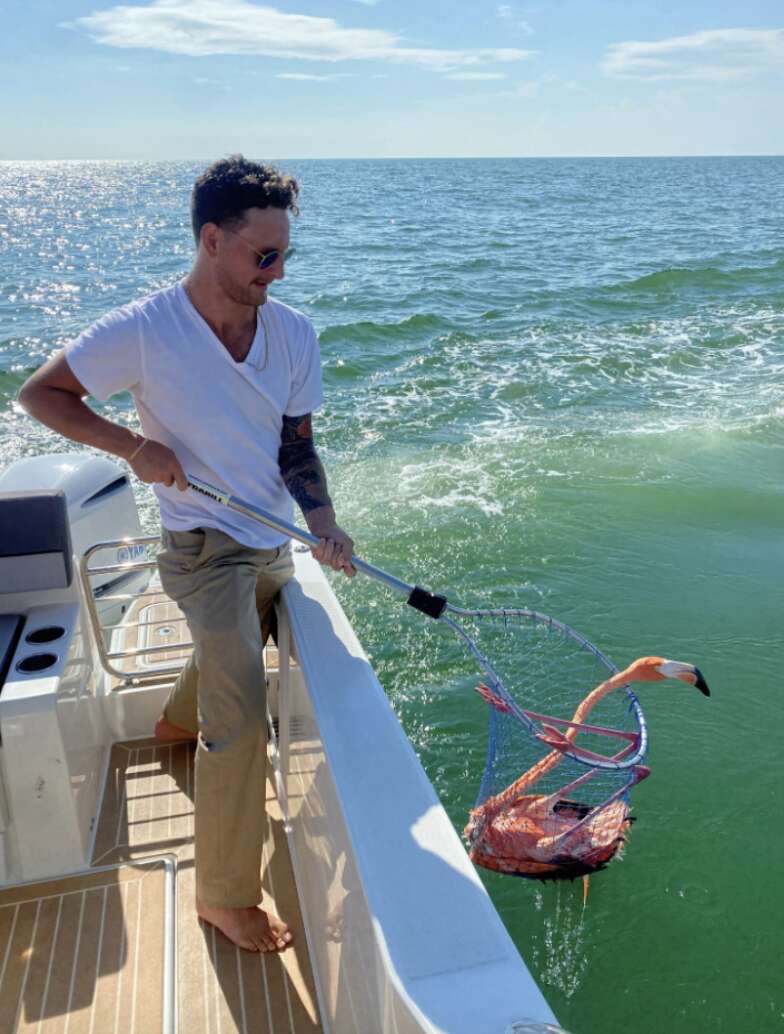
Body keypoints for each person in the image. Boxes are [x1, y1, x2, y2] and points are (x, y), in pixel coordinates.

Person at [18, 154, 355, 954]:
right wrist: (133, 445)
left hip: (274, 538)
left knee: (243, 635)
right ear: (212, 240)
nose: (275, 273)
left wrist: (326, 521)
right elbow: (41, 395)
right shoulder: (144, 328)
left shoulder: (294, 332)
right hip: (202, 547)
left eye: (285, 256)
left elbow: (296, 446)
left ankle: (172, 720)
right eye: (262, 255)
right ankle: (224, 896)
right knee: (241, 707)